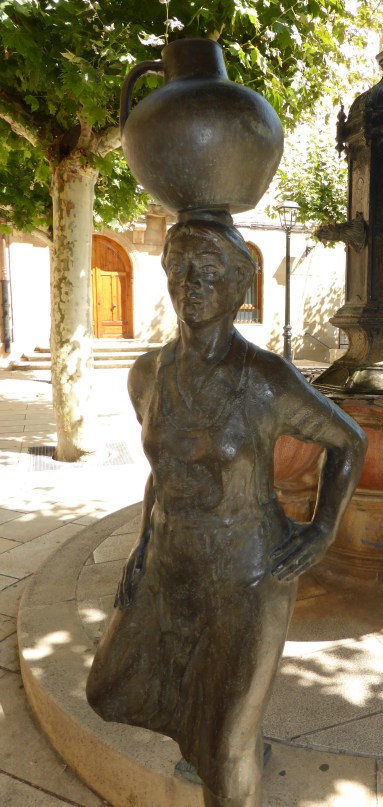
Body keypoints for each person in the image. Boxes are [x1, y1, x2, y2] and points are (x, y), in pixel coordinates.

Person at [86, 216, 367, 807]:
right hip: (171, 561)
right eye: (179, 269)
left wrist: (322, 530)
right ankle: (207, 740)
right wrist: (142, 547)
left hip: (249, 570)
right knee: (109, 686)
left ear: (238, 286)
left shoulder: (264, 378)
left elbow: (348, 442)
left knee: (229, 745)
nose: (191, 283)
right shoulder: (148, 375)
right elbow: (164, 475)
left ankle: (225, 762)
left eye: (209, 273)